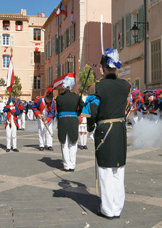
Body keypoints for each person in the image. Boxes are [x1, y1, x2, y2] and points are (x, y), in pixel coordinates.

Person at [82, 48, 130, 219]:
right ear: (116, 67)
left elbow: (92, 113)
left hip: (105, 130)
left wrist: (89, 127)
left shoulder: (96, 87)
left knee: (105, 171)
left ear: (102, 68)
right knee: (118, 170)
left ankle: (108, 209)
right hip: (120, 129)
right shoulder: (126, 85)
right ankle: (117, 207)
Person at [53, 75, 83, 172]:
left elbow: (57, 109)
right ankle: (72, 165)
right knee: (73, 143)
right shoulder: (76, 97)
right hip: (73, 120)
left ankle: (66, 165)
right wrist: (77, 114)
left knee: (64, 143)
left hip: (62, 120)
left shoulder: (58, 98)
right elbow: (82, 106)